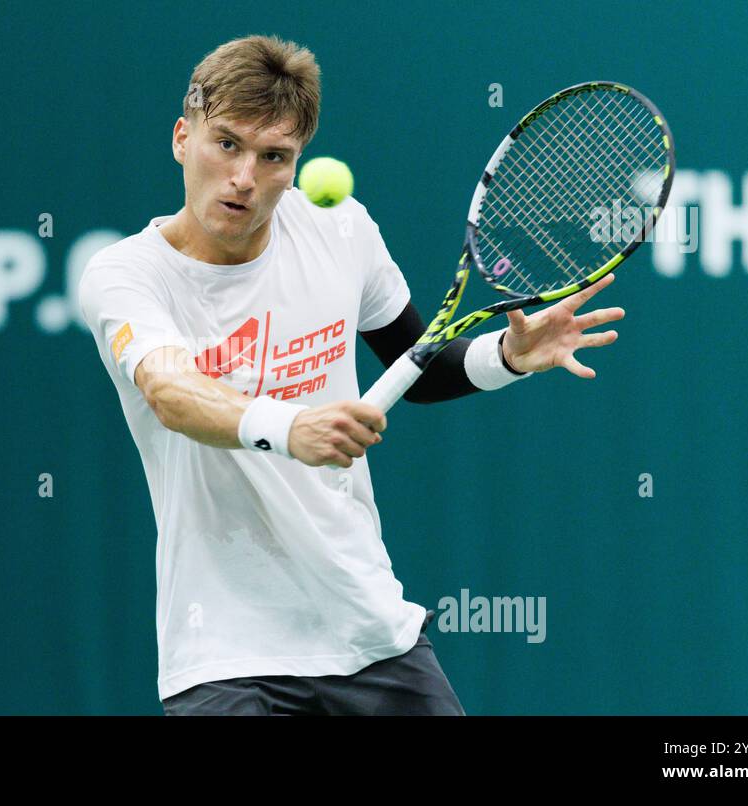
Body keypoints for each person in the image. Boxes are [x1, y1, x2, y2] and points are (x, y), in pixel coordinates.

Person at [77, 35, 624, 715]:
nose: (245, 177)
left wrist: (507, 357)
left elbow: (419, 367)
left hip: (369, 634)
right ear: (182, 138)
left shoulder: (341, 230)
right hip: (224, 654)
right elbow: (170, 393)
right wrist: (290, 426)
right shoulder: (126, 274)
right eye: (227, 144)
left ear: (296, 163)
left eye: (273, 156)